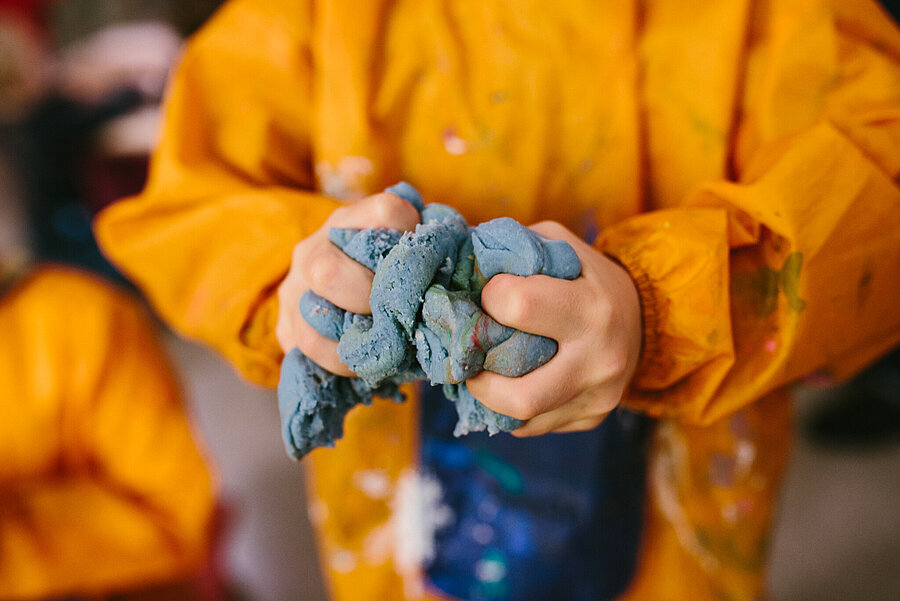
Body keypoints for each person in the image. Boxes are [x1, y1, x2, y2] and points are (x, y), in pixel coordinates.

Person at [94, 0, 900, 599]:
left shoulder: (773, 17)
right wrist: (296, 280)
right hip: (400, 521)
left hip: (679, 526)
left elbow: (880, 175)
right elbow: (186, 207)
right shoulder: (308, 19)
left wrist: (664, 305)